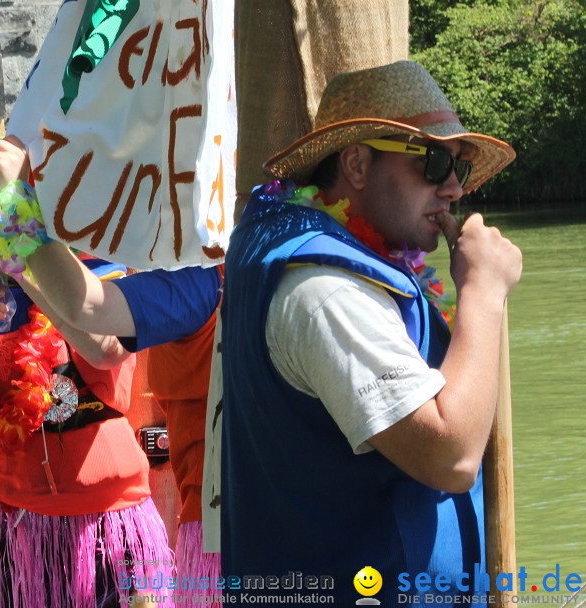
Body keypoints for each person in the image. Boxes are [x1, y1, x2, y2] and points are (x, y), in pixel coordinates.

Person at [218, 60, 520, 601]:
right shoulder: (326, 288)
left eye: (460, 169)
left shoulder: (305, 247)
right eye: (433, 162)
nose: (452, 187)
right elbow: (449, 456)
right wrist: (482, 292)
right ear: (356, 163)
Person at [0, 136, 173, 608]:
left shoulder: (92, 270)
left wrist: (27, 265)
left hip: (102, 524)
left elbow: (106, 351)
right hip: (7, 536)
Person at [0, 137, 225, 601]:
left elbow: (96, 328)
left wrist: (17, 202)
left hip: (220, 532)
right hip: (262, 521)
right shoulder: (256, 257)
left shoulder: (198, 274)